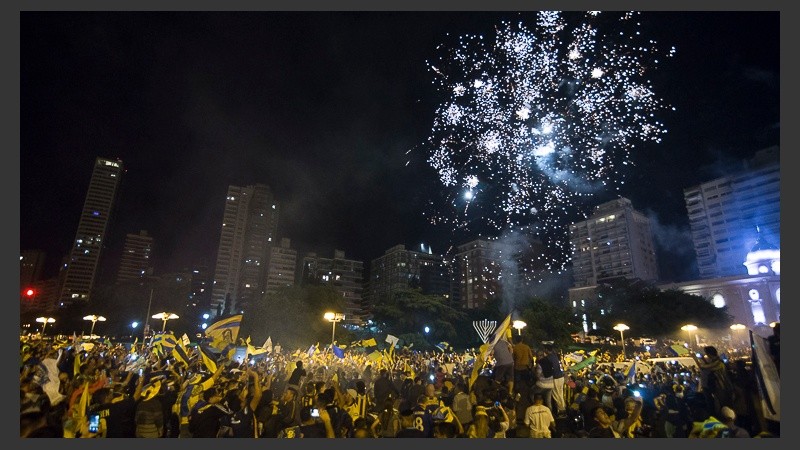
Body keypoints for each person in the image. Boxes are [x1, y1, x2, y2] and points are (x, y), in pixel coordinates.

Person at [545, 345, 567, 417]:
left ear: (546, 350)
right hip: (561, 377)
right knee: (560, 394)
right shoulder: (555, 356)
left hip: (556, 378)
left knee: (556, 395)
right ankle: (563, 408)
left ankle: (561, 410)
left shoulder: (548, 358)